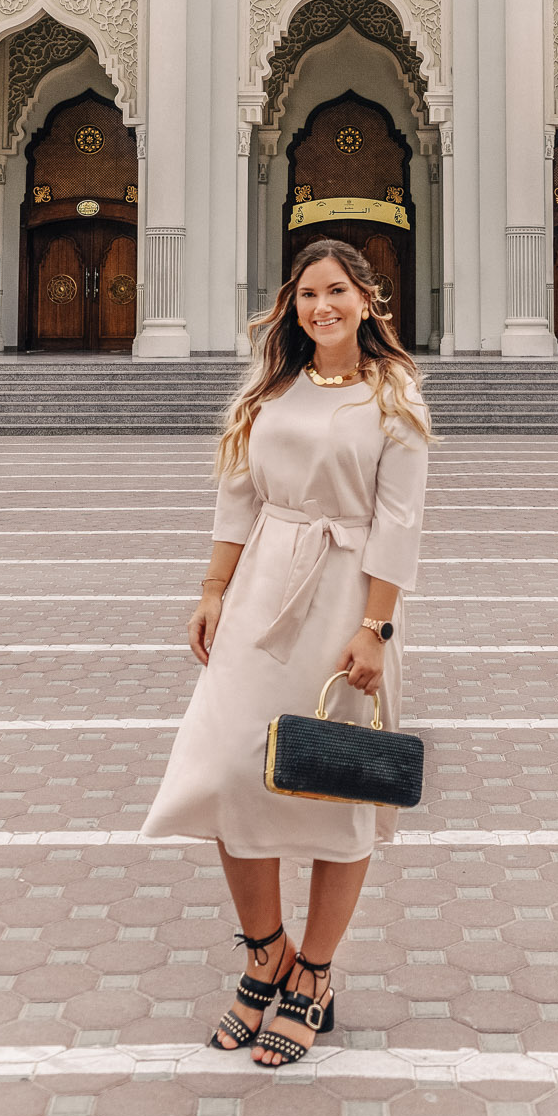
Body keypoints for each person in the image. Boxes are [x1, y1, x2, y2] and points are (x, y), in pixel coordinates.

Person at [143, 237, 430, 1067]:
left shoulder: (393, 396)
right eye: (308, 294)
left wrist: (375, 629)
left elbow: (399, 522)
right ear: (292, 306)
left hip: (345, 600)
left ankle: (314, 973)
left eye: (337, 291)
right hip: (262, 591)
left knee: (335, 789)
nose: (321, 307)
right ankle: (264, 951)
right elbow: (239, 494)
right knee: (232, 770)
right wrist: (211, 588)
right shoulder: (270, 387)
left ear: (368, 301)